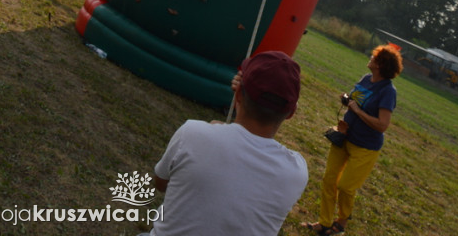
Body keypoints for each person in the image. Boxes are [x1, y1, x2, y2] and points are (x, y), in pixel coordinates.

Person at [142, 50, 308, 236]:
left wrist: (219, 125)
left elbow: (161, 183)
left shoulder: (192, 133)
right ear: (291, 114)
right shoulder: (297, 171)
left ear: (238, 95)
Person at [302, 43, 403, 235]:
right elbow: (356, 99)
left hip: (365, 147)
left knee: (346, 187)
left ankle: (341, 222)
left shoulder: (388, 91)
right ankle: (324, 223)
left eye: (375, 57)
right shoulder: (366, 79)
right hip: (344, 136)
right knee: (329, 180)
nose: (371, 58)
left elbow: (383, 125)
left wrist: (357, 110)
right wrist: (347, 99)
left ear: (381, 65)